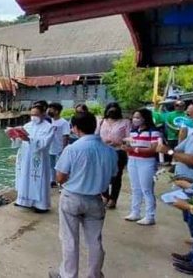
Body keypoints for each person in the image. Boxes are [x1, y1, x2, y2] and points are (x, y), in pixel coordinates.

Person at [49, 112, 117, 278]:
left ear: (75, 128)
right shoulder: (110, 151)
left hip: (72, 197)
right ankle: (94, 275)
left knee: (69, 239)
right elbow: (113, 174)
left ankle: (68, 274)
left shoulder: (72, 149)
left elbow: (60, 177)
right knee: (94, 241)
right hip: (95, 199)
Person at [157, 100, 193, 275]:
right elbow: (178, 150)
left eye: (190, 114)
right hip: (188, 185)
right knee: (192, 223)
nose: (186, 117)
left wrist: (170, 153)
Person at [123, 108, 161, 225]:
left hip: (147, 162)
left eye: (138, 117)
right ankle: (135, 212)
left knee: (147, 189)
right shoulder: (134, 131)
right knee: (135, 188)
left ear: (145, 118)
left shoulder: (153, 131)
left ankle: (150, 215)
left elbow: (153, 149)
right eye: (134, 117)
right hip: (133, 160)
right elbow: (129, 145)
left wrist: (135, 149)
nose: (135, 119)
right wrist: (128, 149)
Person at [14, 104, 55, 213]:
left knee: (38, 179)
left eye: (36, 114)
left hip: (39, 157)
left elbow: (45, 144)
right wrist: (15, 137)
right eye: (31, 114)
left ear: (43, 114)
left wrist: (29, 139)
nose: (33, 117)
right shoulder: (27, 126)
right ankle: (24, 200)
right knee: (25, 177)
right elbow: (20, 141)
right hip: (26, 156)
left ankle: (41, 205)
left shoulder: (49, 127)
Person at [96, 102, 131, 209]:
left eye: (114, 109)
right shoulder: (101, 121)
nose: (112, 111)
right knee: (102, 175)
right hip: (103, 151)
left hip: (118, 151)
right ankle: (105, 196)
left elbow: (129, 138)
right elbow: (96, 135)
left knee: (116, 176)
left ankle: (113, 199)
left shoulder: (125, 122)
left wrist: (119, 143)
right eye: (110, 109)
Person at [48, 103, 70, 188]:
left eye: (51, 109)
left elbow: (66, 135)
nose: (49, 111)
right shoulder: (49, 121)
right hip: (50, 147)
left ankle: (62, 184)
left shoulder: (64, 122)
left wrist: (64, 148)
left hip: (59, 148)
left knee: (60, 167)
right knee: (51, 166)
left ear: (57, 111)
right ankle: (52, 181)